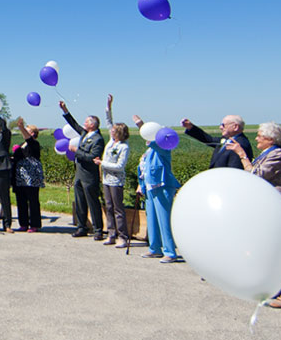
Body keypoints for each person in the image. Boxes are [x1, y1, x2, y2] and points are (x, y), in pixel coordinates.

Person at [226, 121, 281, 308]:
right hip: (267, 206)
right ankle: (276, 289)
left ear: (270, 138)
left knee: (276, 249)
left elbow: (257, 175)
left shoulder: (278, 154)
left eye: (260, 135)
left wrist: (242, 154)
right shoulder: (267, 153)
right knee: (267, 249)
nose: (256, 138)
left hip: (277, 206)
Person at [133, 114, 181, 263]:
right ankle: (154, 248)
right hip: (149, 187)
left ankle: (170, 251)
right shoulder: (148, 152)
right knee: (152, 219)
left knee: (164, 219)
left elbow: (152, 139)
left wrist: (141, 125)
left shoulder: (163, 148)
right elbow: (144, 169)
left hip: (163, 186)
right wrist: (140, 185)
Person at [60, 101, 105, 239]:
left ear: (93, 124)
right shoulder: (85, 134)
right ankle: (81, 227)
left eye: (86, 122)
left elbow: (92, 156)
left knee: (92, 202)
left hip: (89, 175)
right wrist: (65, 110)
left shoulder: (98, 139)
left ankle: (98, 230)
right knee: (80, 202)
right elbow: (74, 125)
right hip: (79, 174)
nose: (84, 124)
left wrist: (76, 151)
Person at [94, 95, 130, 247]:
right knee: (108, 206)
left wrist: (103, 163)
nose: (111, 131)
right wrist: (108, 106)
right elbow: (108, 121)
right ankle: (111, 233)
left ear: (119, 133)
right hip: (106, 179)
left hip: (116, 180)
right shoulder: (111, 141)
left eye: (114, 131)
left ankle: (123, 236)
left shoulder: (124, 146)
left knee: (118, 208)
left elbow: (120, 166)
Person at [181, 114, 253, 169]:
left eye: (223, 125)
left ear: (235, 127)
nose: (220, 127)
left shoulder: (240, 144)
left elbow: (234, 170)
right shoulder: (227, 139)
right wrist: (190, 127)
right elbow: (209, 140)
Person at [11, 117, 44, 232]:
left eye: (27, 130)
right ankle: (23, 223)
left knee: (33, 200)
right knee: (21, 200)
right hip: (21, 175)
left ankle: (34, 224)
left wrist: (21, 127)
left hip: (32, 176)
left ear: (32, 133)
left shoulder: (34, 143)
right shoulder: (22, 144)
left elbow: (29, 140)